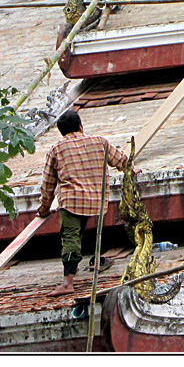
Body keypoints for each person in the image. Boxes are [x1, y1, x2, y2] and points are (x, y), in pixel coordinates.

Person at [37, 110, 130, 296]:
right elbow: (121, 160)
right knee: (77, 235)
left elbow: (48, 185)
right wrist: (132, 170)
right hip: (95, 201)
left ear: (62, 131)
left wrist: (43, 209)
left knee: (70, 237)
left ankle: (67, 283)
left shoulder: (56, 149)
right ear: (81, 126)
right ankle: (73, 268)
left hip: (71, 200)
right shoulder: (99, 142)